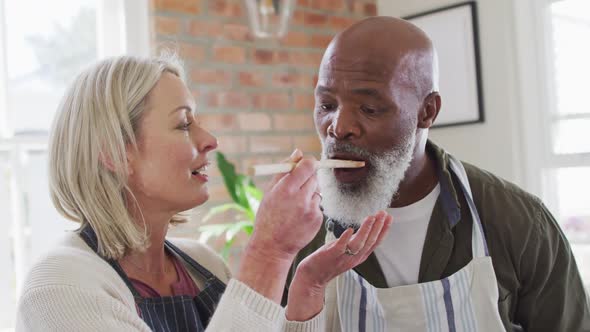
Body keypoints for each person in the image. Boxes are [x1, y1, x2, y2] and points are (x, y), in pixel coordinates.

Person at [15, 54, 392, 332]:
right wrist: (269, 253)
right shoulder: (59, 287)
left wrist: (308, 286)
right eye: (183, 124)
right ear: (115, 152)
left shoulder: (203, 264)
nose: (209, 140)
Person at [285, 16, 590, 331]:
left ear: (427, 111)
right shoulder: (299, 230)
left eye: (369, 109)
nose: (339, 127)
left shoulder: (519, 222)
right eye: (326, 105)